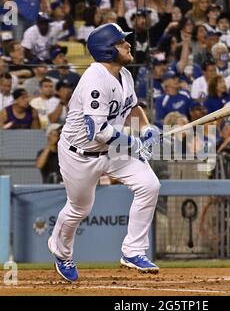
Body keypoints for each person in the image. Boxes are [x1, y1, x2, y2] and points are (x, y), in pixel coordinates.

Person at [47, 23, 161, 282]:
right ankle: (61, 252)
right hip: (80, 153)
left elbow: (132, 107)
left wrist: (146, 128)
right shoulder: (95, 80)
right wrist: (132, 142)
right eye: (122, 42)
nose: (128, 44)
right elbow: (97, 131)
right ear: (107, 50)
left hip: (111, 149)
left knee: (149, 185)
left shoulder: (125, 75)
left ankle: (133, 251)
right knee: (79, 208)